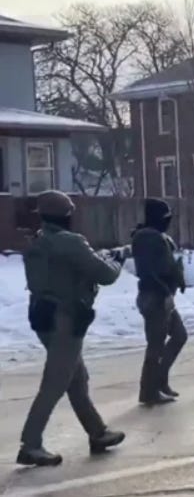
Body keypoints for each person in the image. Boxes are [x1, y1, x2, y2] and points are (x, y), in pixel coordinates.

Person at [18, 190, 126, 467]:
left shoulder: (39, 241)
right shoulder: (72, 242)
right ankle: (31, 444)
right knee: (55, 383)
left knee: (77, 379)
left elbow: (67, 268)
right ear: (66, 216)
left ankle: (97, 432)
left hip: (43, 316)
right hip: (65, 319)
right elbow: (105, 274)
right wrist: (117, 259)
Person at [132, 198, 188, 406]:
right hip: (155, 296)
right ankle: (149, 391)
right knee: (155, 345)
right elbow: (150, 272)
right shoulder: (148, 239)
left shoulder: (157, 237)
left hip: (161, 295)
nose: (168, 221)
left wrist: (178, 278)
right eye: (165, 217)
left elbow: (167, 265)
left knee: (179, 335)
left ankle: (159, 381)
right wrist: (165, 293)